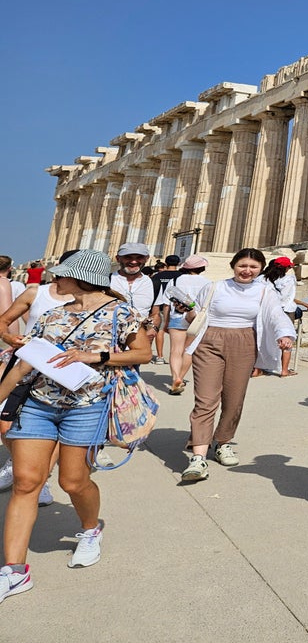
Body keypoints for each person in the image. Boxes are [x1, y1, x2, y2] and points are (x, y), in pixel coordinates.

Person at [0, 249, 150, 601]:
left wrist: (96, 357)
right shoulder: (52, 315)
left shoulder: (122, 313)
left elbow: (142, 353)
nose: (55, 279)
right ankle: (14, 570)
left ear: (82, 278)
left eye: (62, 274)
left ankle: (89, 529)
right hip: (39, 404)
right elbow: (23, 365)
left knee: (73, 481)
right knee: (26, 483)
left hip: (88, 405)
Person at [178, 248, 295, 483]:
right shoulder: (215, 287)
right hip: (210, 341)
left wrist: (285, 334)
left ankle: (223, 441)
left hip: (244, 342)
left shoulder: (264, 290)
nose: (247, 271)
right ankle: (198, 456)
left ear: (261, 269)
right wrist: (187, 311)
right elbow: (195, 316)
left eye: (253, 267)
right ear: (233, 265)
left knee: (234, 398)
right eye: (243, 265)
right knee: (205, 399)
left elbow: (275, 314)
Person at [0, 250, 80, 500]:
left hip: (65, 373)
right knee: (4, 421)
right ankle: (18, 461)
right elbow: (4, 321)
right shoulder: (37, 292)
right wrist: (9, 337)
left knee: (52, 429)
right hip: (25, 367)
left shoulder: (91, 299)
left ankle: (41, 479)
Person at [253, 257, 308, 377]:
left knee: (262, 336)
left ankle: (257, 369)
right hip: (283, 311)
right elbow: (285, 298)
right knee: (286, 338)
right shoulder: (288, 279)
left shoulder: (261, 279)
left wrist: (303, 303)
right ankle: (284, 370)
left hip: (263, 311)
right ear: (287, 268)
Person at [164, 255, 211, 394]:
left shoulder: (175, 280)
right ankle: (181, 377)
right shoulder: (208, 283)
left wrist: (166, 322)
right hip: (196, 319)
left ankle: (175, 378)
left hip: (177, 317)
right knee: (189, 350)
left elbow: (166, 303)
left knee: (175, 350)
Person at [148, 254, 183, 365]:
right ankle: (178, 356)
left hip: (160, 305)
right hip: (177, 307)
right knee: (178, 334)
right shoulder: (182, 276)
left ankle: (159, 356)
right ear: (178, 264)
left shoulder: (158, 275)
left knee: (159, 331)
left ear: (166, 264)